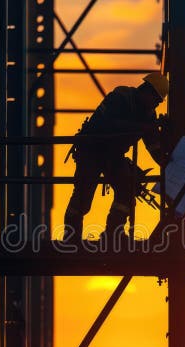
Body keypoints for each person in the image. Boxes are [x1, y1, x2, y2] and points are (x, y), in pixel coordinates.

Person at [63, 72, 169, 243]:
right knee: (83, 195)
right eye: (156, 100)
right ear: (147, 91)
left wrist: (165, 160)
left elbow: (152, 145)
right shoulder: (120, 96)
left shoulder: (148, 114)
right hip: (91, 149)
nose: (156, 105)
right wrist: (145, 126)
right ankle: (70, 238)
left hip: (113, 155)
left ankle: (113, 234)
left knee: (126, 190)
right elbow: (109, 124)